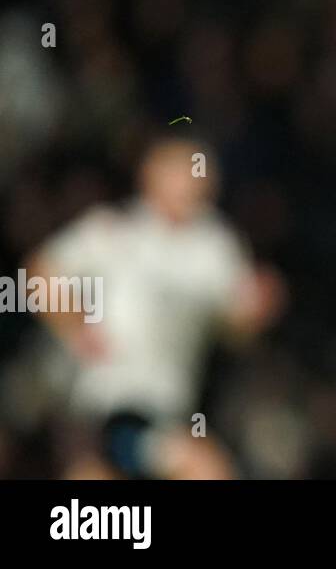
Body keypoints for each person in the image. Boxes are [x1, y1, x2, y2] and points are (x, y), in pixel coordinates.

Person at [28, 135, 283, 478]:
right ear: (151, 174)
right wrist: (76, 328)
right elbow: (40, 274)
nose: (195, 181)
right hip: (101, 401)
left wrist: (258, 310)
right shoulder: (114, 231)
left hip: (165, 408)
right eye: (183, 170)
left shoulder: (216, 247)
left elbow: (236, 323)